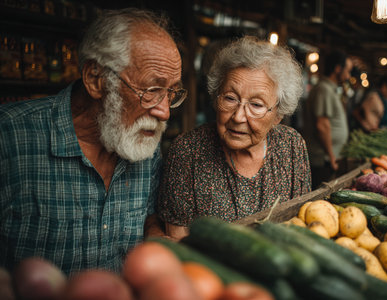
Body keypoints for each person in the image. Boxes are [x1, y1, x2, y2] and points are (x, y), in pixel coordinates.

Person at [0, 8, 186, 275]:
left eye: (171, 93)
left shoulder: (143, 144)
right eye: (151, 90)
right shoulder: (9, 138)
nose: (165, 111)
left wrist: (154, 234)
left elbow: (148, 215)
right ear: (95, 80)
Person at [157, 36, 311, 240]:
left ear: (278, 115)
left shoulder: (292, 146)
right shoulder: (187, 152)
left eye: (256, 105)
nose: (238, 117)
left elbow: (301, 225)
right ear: (216, 97)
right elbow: (179, 243)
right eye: (230, 98)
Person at [302, 50, 353, 189]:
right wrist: (331, 157)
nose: (348, 75)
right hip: (321, 158)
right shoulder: (323, 89)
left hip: (327, 158)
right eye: (347, 71)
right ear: (338, 69)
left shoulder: (330, 89)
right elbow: (322, 125)